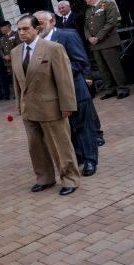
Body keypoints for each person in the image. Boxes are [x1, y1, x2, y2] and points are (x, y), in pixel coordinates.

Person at [11, 15, 81, 196]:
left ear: (37, 29)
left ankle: (70, 178)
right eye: (19, 29)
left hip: (51, 107)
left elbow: (64, 79)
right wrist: (19, 103)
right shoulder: (16, 52)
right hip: (28, 109)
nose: (21, 32)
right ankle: (44, 178)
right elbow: (17, 82)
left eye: (26, 29)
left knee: (60, 145)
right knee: (35, 147)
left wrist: (67, 105)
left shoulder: (53, 49)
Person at [35, 11, 100, 177]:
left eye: (41, 22)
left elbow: (80, 61)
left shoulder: (67, 36)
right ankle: (77, 157)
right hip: (54, 97)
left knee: (83, 127)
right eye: (36, 23)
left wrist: (54, 74)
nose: (39, 26)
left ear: (52, 21)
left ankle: (90, 160)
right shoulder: (36, 43)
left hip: (75, 90)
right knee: (68, 129)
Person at [83, 0, 130, 99]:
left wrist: (98, 37)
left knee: (114, 67)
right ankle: (110, 89)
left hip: (107, 41)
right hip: (95, 45)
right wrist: (89, 37)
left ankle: (122, 88)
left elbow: (111, 22)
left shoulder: (108, 4)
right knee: (102, 68)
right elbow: (86, 27)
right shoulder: (89, 10)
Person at [0, 21, 21, 97]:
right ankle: (17, 93)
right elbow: (0, 49)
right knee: (13, 78)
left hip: (16, 60)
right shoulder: (3, 38)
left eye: (2, 27)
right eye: (0, 28)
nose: (1, 29)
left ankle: (22, 91)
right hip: (8, 62)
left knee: (19, 76)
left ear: (8, 26)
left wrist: (10, 56)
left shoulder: (16, 34)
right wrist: (4, 56)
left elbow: (19, 46)